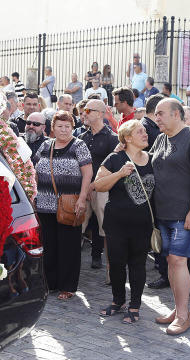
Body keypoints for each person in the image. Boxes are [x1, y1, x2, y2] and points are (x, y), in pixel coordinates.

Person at [151, 99, 190, 336]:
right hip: (162, 212)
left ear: (177, 114)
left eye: (161, 113)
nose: (157, 118)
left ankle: (184, 315)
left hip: (183, 213)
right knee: (170, 262)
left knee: (178, 260)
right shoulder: (160, 138)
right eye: (155, 114)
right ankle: (177, 310)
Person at [95, 120, 154, 324]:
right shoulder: (115, 158)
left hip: (143, 224)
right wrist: (120, 173)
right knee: (118, 264)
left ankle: (135, 305)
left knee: (138, 264)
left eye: (145, 131)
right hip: (117, 222)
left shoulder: (153, 159)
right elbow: (98, 185)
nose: (145, 134)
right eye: (140, 131)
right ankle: (118, 300)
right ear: (127, 138)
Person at [33, 111, 92, 300]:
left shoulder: (79, 145)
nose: (64, 130)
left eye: (67, 126)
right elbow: (34, 170)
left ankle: (67, 286)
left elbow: (88, 174)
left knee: (69, 247)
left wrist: (82, 199)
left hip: (69, 204)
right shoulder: (45, 145)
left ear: (72, 127)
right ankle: (50, 283)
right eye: (60, 126)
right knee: (49, 245)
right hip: (44, 204)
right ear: (53, 128)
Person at [78, 100, 119, 269]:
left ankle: (110, 267)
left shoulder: (112, 138)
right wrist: (84, 188)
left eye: (88, 110)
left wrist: (94, 185)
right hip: (82, 189)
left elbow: (114, 167)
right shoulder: (81, 137)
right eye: (83, 110)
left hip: (103, 188)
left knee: (105, 228)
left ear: (101, 114)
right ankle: (72, 261)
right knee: (78, 226)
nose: (84, 113)